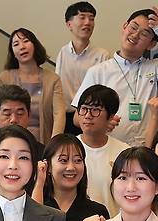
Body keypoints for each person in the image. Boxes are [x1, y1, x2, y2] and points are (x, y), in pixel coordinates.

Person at [72, 7, 158, 147]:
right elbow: (77, 117)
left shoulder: (155, 66)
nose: (135, 35)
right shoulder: (98, 71)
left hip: (151, 150)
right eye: (133, 27)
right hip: (113, 150)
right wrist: (100, 122)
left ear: (152, 44)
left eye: (144, 33)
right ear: (124, 26)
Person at [33, 133, 109, 221]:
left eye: (78, 160)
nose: (71, 167)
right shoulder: (38, 204)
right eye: (63, 160)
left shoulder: (97, 212)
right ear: (47, 165)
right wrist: (39, 182)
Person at [0, 28, 65, 143]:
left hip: (44, 140)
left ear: (35, 45)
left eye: (26, 41)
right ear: (12, 51)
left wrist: (54, 144)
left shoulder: (53, 79)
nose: (22, 47)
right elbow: (0, 109)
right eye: (16, 44)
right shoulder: (5, 78)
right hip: (12, 140)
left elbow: (59, 113)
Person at [55, 2, 110, 136]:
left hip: (89, 117)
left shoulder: (102, 55)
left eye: (91, 18)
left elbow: (103, 92)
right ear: (69, 24)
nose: (88, 22)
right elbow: (57, 88)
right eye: (82, 17)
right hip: (65, 116)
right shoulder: (63, 52)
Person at [0, 84, 44, 195]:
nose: (13, 119)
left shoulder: (42, 153)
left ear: (29, 115)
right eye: (7, 114)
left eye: (19, 113)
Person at [76, 85, 129, 217]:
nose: (88, 115)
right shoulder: (67, 149)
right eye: (84, 109)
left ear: (111, 116)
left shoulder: (124, 152)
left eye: (95, 110)